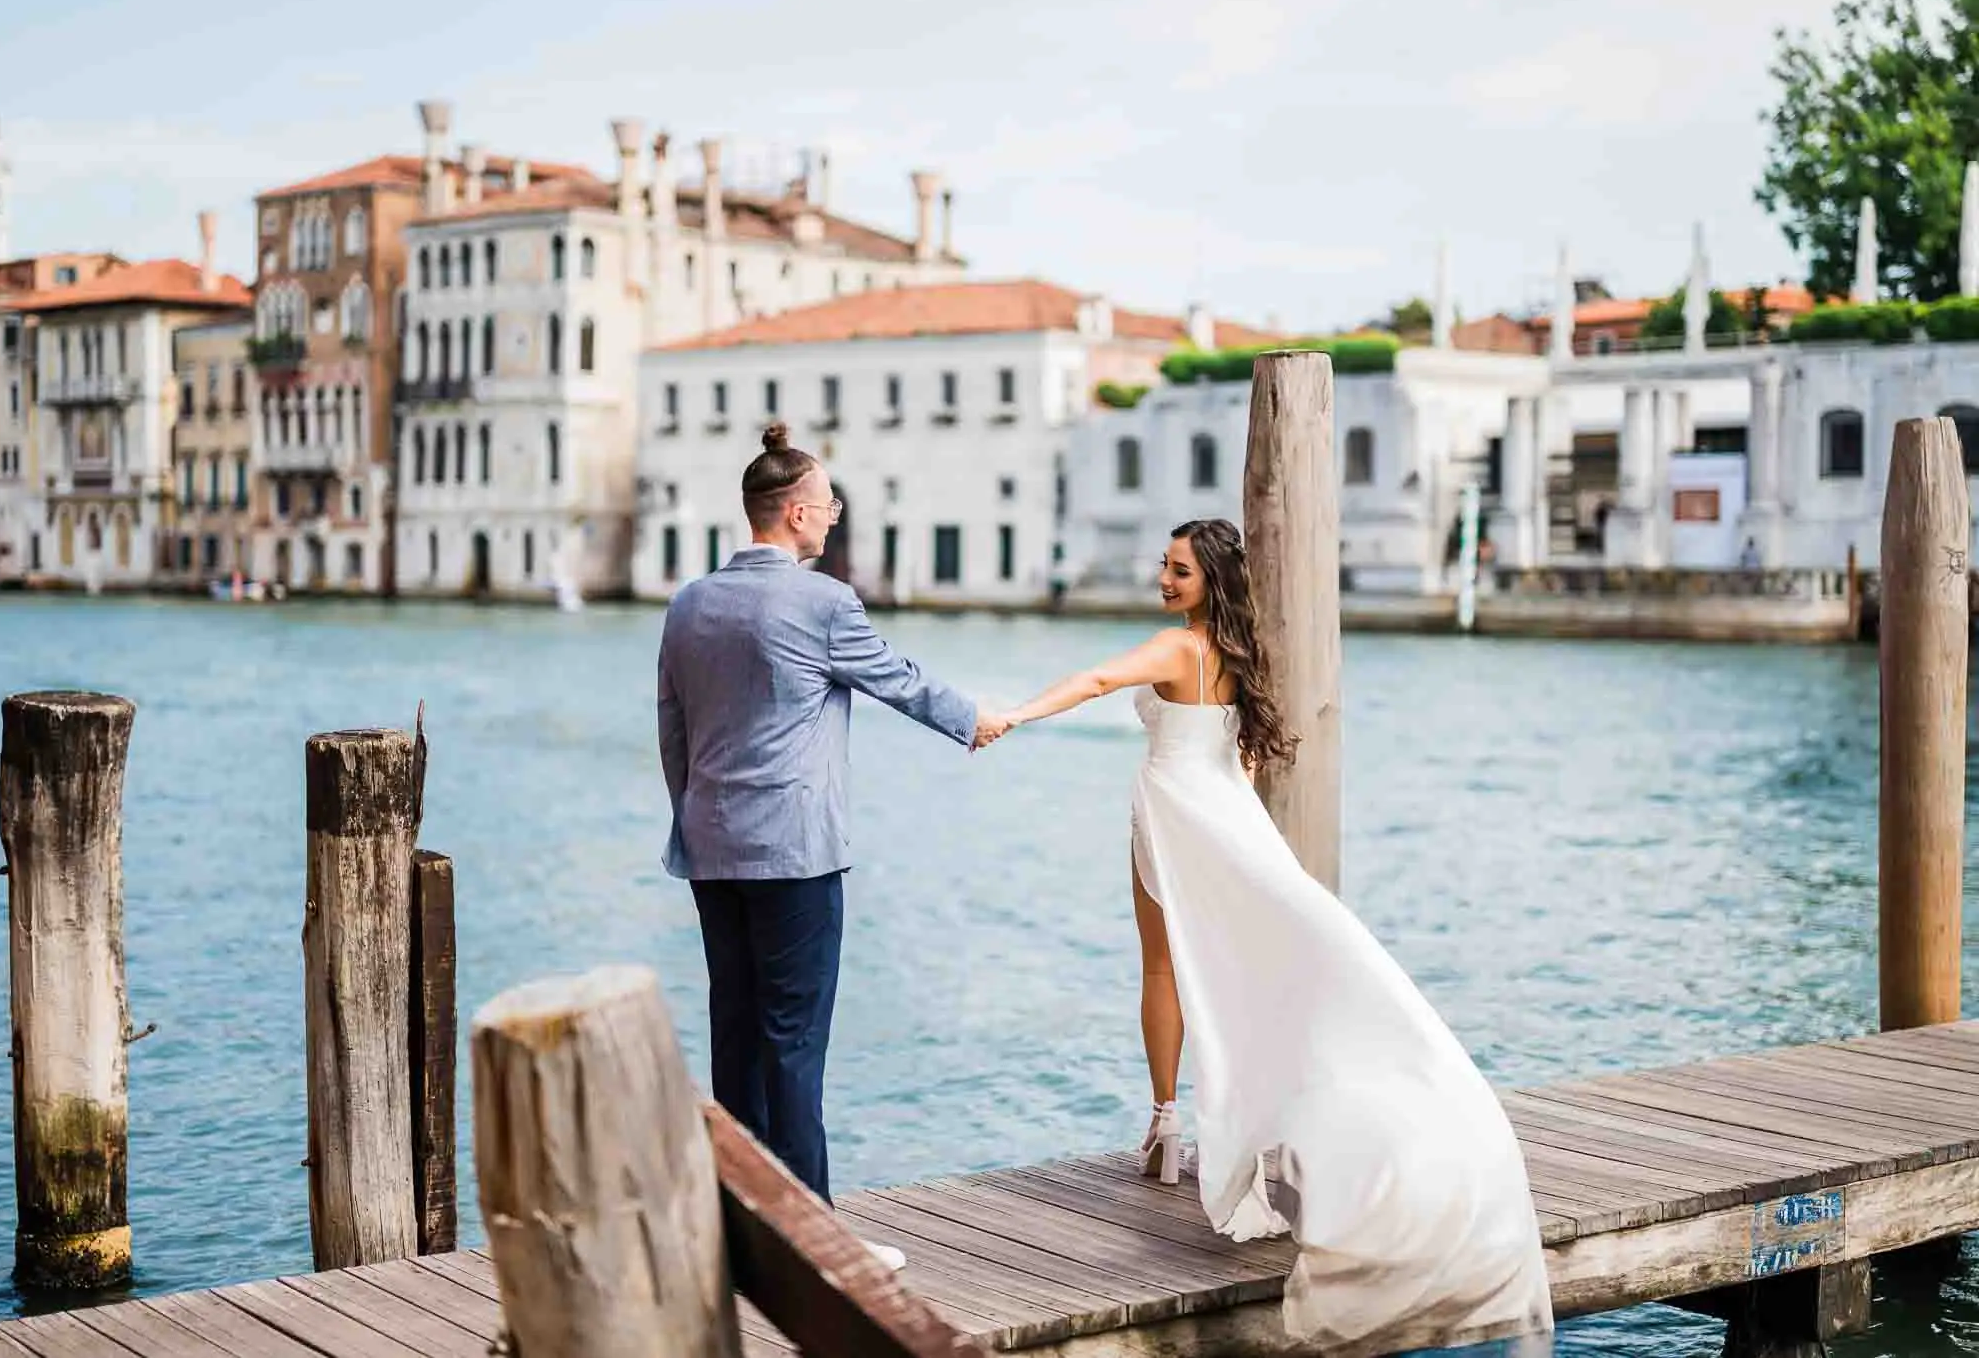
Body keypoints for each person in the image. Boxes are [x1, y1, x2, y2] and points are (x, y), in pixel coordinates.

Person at [975, 518, 1552, 1354]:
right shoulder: (1241, 656)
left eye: (1177, 570)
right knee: (1256, 961)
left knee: (1164, 970)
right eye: (1162, 565)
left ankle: (1166, 1122)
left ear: (1209, 578)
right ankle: (1210, 1120)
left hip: (1172, 812)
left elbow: (1098, 678)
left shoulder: (1179, 651)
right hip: (1225, 815)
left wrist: (1015, 714)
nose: (1162, 579)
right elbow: (1242, 760)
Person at [656, 422, 1009, 1272]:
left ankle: (741, 1225)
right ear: (799, 512)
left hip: (710, 844)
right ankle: (813, 1239)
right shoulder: (823, 603)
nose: (837, 514)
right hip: (794, 854)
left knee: (735, 1033)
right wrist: (974, 718)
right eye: (830, 503)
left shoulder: (689, 601)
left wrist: (699, 812)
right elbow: (898, 678)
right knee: (794, 1040)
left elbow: (672, 730)